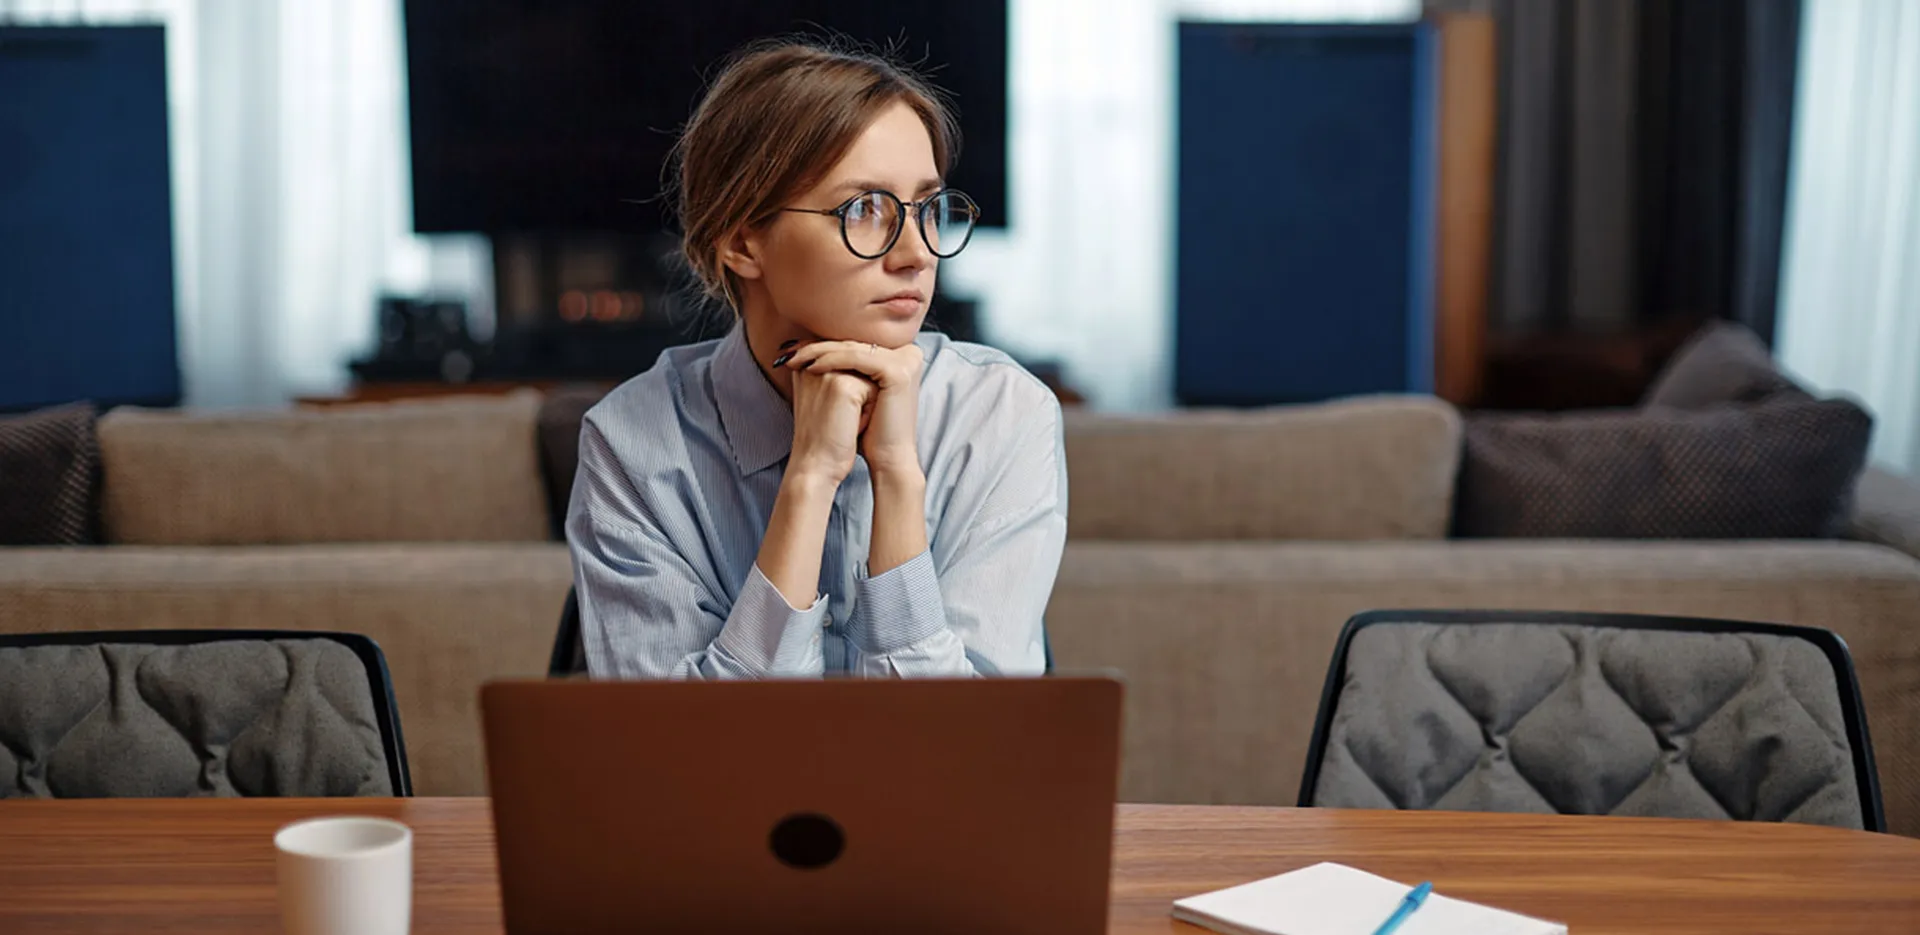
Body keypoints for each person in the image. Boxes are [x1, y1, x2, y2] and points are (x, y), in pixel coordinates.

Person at [567, 40, 1065, 679]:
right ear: (744, 240)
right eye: (865, 210)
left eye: (928, 209)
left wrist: (895, 475)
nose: (917, 253)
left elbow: (964, 751)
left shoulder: (1000, 414)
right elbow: (679, 752)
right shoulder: (630, 443)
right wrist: (809, 479)